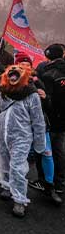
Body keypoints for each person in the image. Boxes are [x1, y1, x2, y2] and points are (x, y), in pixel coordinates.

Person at [0, 64, 47, 217]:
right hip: (2, 135)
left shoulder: (31, 95)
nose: (14, 75)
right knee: (4, 163)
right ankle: (6, 186)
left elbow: (38, 120)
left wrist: (40, 143)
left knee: (18, 167)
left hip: (21, 137)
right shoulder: (2, 92)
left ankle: (19, 200)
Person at [16, 53, 61, 205]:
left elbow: (49, 106)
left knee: (47, 154)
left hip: (41, 125)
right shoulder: (10, 83)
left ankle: (49, 186)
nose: (25, 68)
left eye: (27, 65)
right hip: (20, 127)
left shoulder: (38, 82)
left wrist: (45, 98)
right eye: (22, 66)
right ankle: (12, 186)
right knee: (19, 157)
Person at [40, 44, 65, 196]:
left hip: (51, 119)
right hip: (63, 118)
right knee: (59, 150)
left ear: (48, 56)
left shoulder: (48, 75)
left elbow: (48, 100)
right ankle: (60, 182)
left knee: (47, 151)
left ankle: (47, 181)